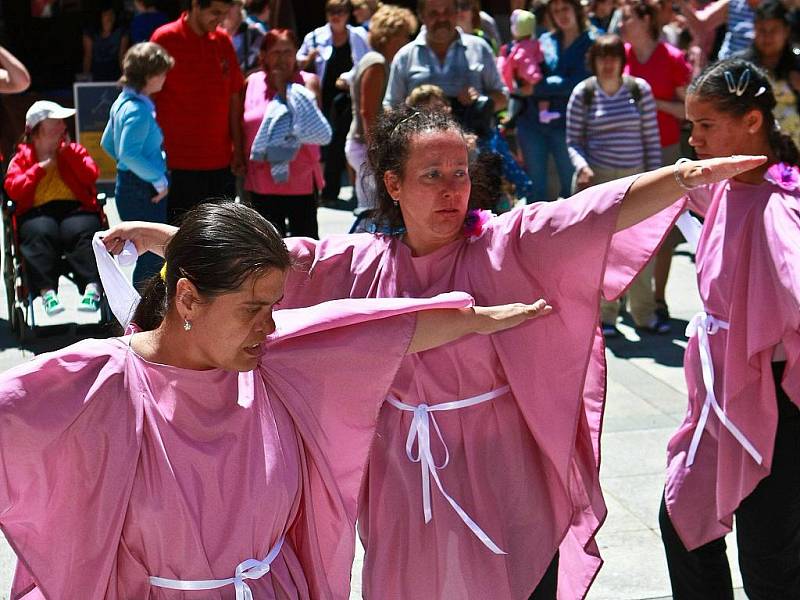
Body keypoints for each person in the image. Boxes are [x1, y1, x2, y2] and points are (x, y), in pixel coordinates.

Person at [114, 107, 764, 599]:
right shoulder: (361, 262)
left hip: (498, 470)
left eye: (460, 174)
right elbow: (266, 262)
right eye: (432, 176)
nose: (453, 189)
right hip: (403, 481)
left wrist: (681, 175)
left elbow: (593, 211)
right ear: (392, 184)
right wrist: (161, 239)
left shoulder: (507, 245)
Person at [1, 200, 549, 599]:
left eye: (275, 306)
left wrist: (476, 320)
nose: (270, 325)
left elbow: (374, 328)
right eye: (252, 309)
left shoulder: (274, 360)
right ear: (188, 297)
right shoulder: (97, 382)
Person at [658, 58, 800, 600]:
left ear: (753, 122)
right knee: (683, 517)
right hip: (721, 390)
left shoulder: (781, 203)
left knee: (769, 556)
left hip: (775, 398)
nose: (693, 138)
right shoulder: (723, 185)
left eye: (706, 125)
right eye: (691, 125)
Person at [567, 33, 663, 337]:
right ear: (593, 61)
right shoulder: (583, 93)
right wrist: (582, 167)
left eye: (614, 56)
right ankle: (606, 316)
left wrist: (657, 182)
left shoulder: (640, 90)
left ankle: (644, 314)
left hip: (636, 178)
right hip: (599, 182)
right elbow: (573, 142)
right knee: (602, 252)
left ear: (623, 61)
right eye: (602, 57)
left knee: (641, 249)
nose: (608, 63)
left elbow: (651, 140)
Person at [621, 0, 693, 329]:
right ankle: (624, 297)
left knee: (662, 230)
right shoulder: (619, 55)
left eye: (627, 19)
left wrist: (653, 100)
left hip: (664, 151)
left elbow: (688, 111)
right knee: (624, 226)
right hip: (626, 152)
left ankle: (658, 298)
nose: (621, 25)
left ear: (646, 20)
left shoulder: (673, 58)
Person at [3, 101, 103, 315]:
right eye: (55, 122)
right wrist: (39, 169)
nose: (62, 126)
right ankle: (47, 293)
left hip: (75, 208)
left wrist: (68, 154)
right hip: (37, 212)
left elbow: (91, 175)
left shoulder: (73, 149)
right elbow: (13, 190)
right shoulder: (21, 158)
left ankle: (92, 289)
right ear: (38, 128)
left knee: (82, 231)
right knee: (39, 232)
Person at [150, 0, 245, 224]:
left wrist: (238, 150)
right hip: (177, 165)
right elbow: (149, 98)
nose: (221, 19)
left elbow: (234, 98)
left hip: (221, 163)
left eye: (224, 13)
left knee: (220, 241)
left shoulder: (223, 41)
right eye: (214, 13)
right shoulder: (165, 39)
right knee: (179, 241)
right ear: (195, 5)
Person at [243, 29, 331, 238]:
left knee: (306, 243)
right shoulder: (251, 83)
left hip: (300, 177)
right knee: (266, 245)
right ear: (263, 55)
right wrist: (237, 153)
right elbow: (241, 123)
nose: (282, 58)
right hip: (261, 176)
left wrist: (284, 87)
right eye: (276, 52)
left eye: (288, 52)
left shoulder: (309, 82)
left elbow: (309, 124)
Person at [101, 42, 174, 289]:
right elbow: (128, 153)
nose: (165, 77)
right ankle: (144, 317)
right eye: (162, 72)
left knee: (148, 256)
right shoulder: (137, 110)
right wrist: (158, 179)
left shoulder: (123, 101)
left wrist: (128, 165)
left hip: (131, 185)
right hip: (142, 189)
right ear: (150, 76)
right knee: (151, 258)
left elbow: (108, 144)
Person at [382, 0, 508, 140]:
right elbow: (390, 107)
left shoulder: (479, 48)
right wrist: (414, 106)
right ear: (421, 16)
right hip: (424, 151)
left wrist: (480, 101)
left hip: (475, 150)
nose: (441, 19)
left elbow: (503, 97)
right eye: (433, 13)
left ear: (456, 13)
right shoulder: (405, 56)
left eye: (447, 12)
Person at [345, 4, 417, 226]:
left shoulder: (377, 61)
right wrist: (376, 152)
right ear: (390, 36)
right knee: (373, 211)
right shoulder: (376, 63)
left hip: (365, 145)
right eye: (404, 36)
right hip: (366, 146)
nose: (407, 42)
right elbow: (368, 112)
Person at [297, 0, 369, 206]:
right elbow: (298, 60)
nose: (336, 15)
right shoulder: (315, 36)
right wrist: (307, 59)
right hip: (322, 99)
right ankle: (318, 189)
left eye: (340, 11)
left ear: (348, 14)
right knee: (319, 144)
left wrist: (347, 78)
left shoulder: (358, 35)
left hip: (347, 99)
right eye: (331, 11)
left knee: (340, 143)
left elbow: (366, 63)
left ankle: (330, 192)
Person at [520, 0, 594, 202]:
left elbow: (579, 81)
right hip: (533, 121)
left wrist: (538, 87)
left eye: (565, 8)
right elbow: (530, 72)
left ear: (576, 10)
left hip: (569, 125)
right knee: (536, 190)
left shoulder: (592, 41)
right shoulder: (545, 40)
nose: (561, 14)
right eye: (555, 11)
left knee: (573, 189)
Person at [736, 0, 800, 146]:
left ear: (786, 31)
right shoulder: (740, 66)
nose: (767, 37)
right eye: (762, 30)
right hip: (755, 145)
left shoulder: (797, 64)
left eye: (773, 30)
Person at [498, 9, 560, 132]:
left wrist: (533, 77)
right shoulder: (530, 44)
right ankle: (512, 118)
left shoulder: (518, 46)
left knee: (518, 96)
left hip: (528, 80)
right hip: (529, 80)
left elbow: (527, 64)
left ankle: (511, 118)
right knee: (521, 96)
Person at [81, 4, 130, 82]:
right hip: (96, 69)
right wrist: (85, 76)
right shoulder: (90, 33)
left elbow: (122, 55)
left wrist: (125, 75)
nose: (110, 17)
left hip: (114, 69)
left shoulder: (122, 32)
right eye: (106, 14)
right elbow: (88, 56)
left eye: (112, 14)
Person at [222, 0, 265, 74]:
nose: (226, 9)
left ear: (240, 6)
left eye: (231, 4)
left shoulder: (255, 34)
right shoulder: (212, 34)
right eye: (222, 4)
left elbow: (265, 66)